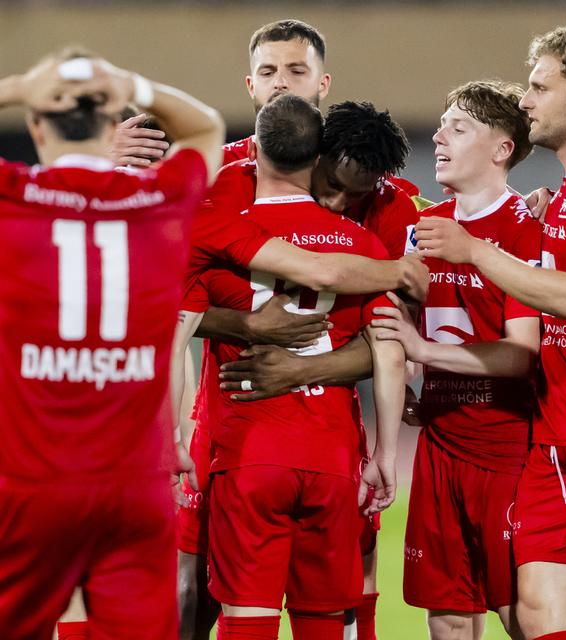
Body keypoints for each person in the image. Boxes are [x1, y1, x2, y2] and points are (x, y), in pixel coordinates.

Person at [415, 23, 566, 640]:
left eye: (541, 88)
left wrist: (474, 250)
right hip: (556, 434)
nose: (526, 101)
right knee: (537, 609)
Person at [0, 48, 227, 640]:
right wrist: (130, 84)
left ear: (34, 124)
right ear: (110, 125)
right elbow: (205, 126)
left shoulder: (12, 199)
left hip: (33, 480)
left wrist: (24, 84)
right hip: (133, 485)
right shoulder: (160, 202)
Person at [175, 94, 406, 640]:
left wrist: (171, 435)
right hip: (331, 455)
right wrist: (386, 455)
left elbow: (169, 328)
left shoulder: (226, 226)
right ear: (317, 155)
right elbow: (392, 349)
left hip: (248, 453)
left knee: (245, 618)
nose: (340, 199)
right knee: (325, 622)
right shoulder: (367, 249)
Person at [369, 80, 540, 640]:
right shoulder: (422, 227)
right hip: (441, 448)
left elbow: (521, 354)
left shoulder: (524, 227)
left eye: (458, 127)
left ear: (502, 149)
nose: (438, 136)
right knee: (446, 618)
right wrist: (419, 375)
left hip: (508, 452)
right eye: (442, 124)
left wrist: (423, 350)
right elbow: (412, 320)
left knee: (524, 616)